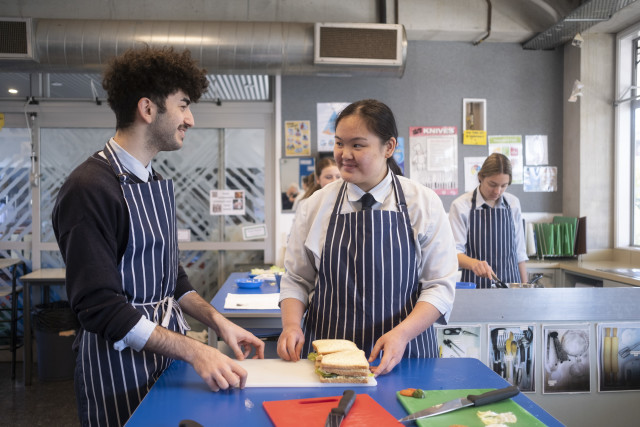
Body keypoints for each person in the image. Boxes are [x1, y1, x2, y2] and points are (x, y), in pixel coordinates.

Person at [52, 46, 264, 427]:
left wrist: (218, 322)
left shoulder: (153, 181)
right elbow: (99, 307)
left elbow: (171, 279)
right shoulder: (89, 188)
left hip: (164, 359)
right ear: (148, 110)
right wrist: (194, 351)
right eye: (183, 106)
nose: (190, 119)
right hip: (117, 369)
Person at [277, 99, 457, 376]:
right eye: (339, 143)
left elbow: (439, 286)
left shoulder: (423, 204)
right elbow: (297, 279)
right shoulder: (315, 206)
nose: (344, 154)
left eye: (357, 145)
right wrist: (291, 325)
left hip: (406, 356)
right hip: (329, 359)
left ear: (389, 147)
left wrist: (402, 334)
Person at [448, 153, 528, 288]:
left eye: (503, 186)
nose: (497, 191)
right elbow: (454, 253)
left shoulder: (513, 204)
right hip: (476, 287)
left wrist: (525, 287)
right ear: (480, 177)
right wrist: (474, 264)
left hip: (511, 287)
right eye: (492, 184)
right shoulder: (461, 206)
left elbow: (520, 253)